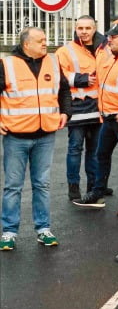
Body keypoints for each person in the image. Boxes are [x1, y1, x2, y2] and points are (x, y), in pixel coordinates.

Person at [0, 27, 71, 250]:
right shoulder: (7, 65)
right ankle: (9, 232)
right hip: (16, 136)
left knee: (42, 184)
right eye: (40, 41)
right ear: (26, 44)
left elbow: (64, 91)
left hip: (45, 135)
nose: (45, 43)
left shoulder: (52, 61)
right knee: (13, 186)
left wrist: (65, 112)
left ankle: (43, 229)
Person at [73, 22, 118, 214]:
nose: (108, 40)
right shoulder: (112, 58)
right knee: (101, 155)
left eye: (113, 37)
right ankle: (97, 191)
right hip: (108, 119)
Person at [55, 16, 104, 202]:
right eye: (80, 28)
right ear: (75, 29)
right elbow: (59, 75)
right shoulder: (65, 51)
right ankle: (73, 187)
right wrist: (81, 79)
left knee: (95, 151)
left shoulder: (103, 49)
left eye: (87, 28)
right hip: (76, 107)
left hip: (98, 107)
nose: (84, 31)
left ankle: (94, 186)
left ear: (94, 28)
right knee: (75, 149)